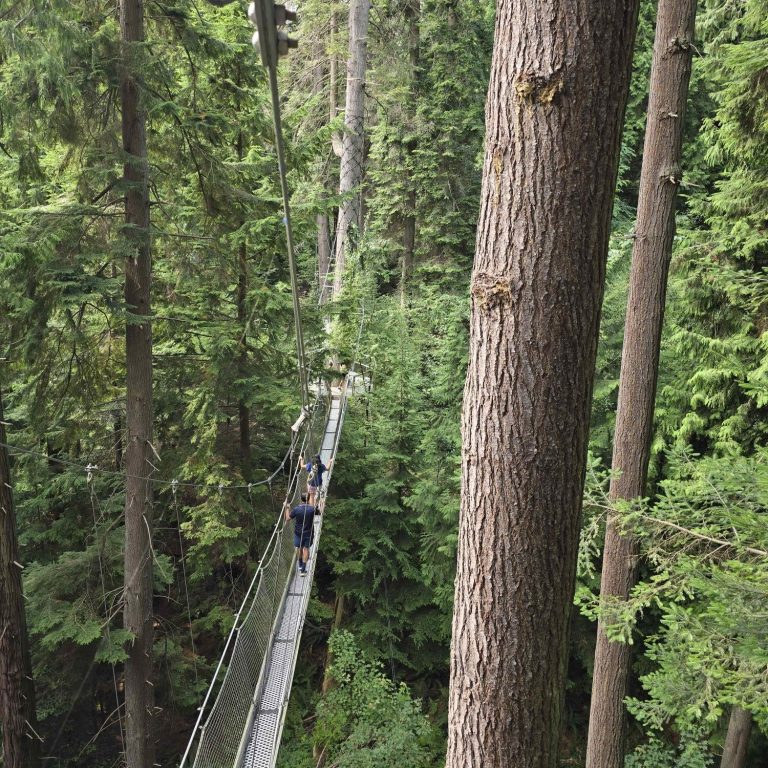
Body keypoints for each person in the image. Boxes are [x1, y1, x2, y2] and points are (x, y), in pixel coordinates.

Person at [285, 493, 316, 576]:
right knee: (306, 549)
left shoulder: (296, 509)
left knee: (299, 548)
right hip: (308, 533)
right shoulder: (312, 509)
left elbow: (287, 518)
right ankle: (303, 570)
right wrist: (322, 503)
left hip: (298, 533)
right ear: (308, 499)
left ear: (301, 499)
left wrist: (287, 508)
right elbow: (320, 511)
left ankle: (299, 565)